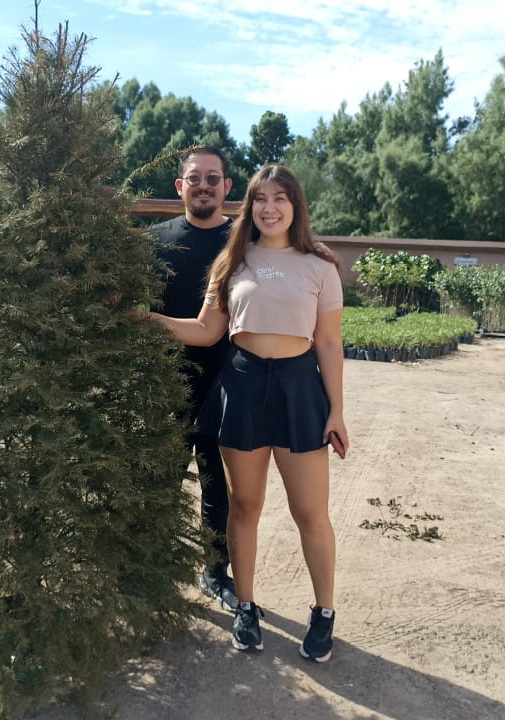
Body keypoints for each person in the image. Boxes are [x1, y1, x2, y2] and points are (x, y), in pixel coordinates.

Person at [142, 163, 348, 663]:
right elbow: (206, 331)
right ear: (249, 206)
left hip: (300, 391)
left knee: (310, 513)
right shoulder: (231, 262)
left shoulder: (320, 265)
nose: (270, 208)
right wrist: (145, 320)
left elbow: (328, 342)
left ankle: (324, 612)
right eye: (261, 199)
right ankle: (247, 608)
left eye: (280, 198)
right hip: (242, 386)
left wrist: (337, 411)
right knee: (245, 507)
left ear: (295, 206)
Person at [149, 146, 238, 613]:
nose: (203, 186)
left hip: (226, 384)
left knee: (217, 486)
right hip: (164, 384)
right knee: (159, 482)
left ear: (227, 187)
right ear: (180, 186)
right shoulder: (153, 241)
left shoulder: (243, 241)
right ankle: (153, 571)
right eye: (195, 178)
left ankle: (215, 571)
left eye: (212, 178)